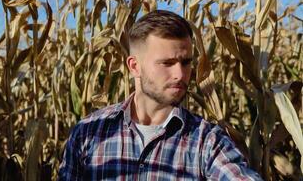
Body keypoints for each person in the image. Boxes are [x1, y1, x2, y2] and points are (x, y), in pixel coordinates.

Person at [58, 10, 262, 180]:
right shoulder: (89, 133)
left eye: (186, 62)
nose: (180, 74)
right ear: (134, 66)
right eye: (167, 63)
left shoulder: (206, 141)